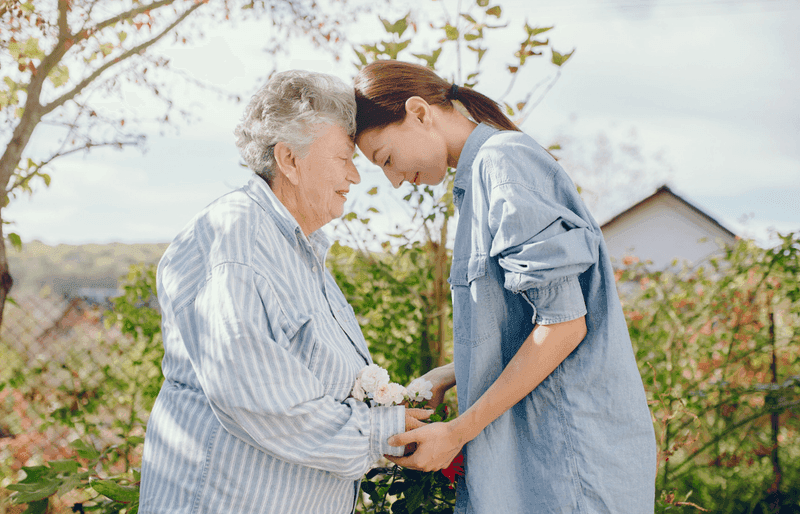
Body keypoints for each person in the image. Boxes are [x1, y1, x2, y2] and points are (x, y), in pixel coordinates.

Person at [354, 60, 657, 513]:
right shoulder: (477, 181)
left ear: (419, 112)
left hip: (569, 465)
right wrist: (450, 373)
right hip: (536, 466)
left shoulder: (503, 162)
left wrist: (456, 432)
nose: (394, 180)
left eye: (386, 159)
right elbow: (526, 323)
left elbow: (563, 326)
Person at [138, 70, 428, 514]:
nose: (355, 176)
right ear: (289, 160)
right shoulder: (240, 239)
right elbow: (259, 396)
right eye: (343, 158)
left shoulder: (295, 248)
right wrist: (381, 431)